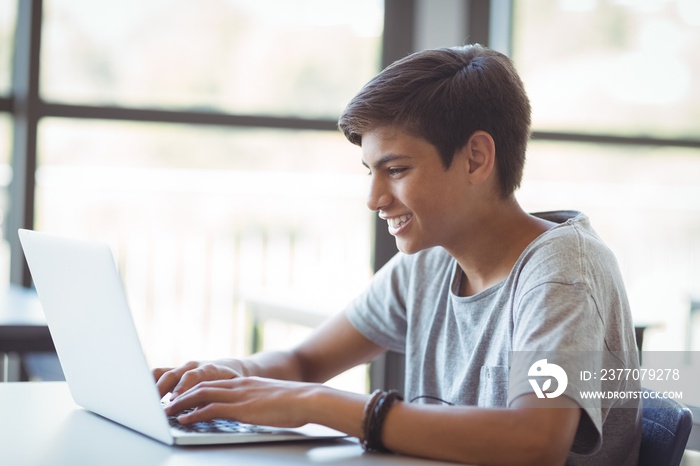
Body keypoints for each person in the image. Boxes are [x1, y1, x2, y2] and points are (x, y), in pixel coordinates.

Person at [155, 44, 642, 465]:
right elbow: (303, 363)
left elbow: (536, 442)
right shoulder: (429, 264)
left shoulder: (561, 273)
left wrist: (319, 405)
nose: (374, 198)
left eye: (397, 169)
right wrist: (223, 378)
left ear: (476, 157)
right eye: (369, 170)